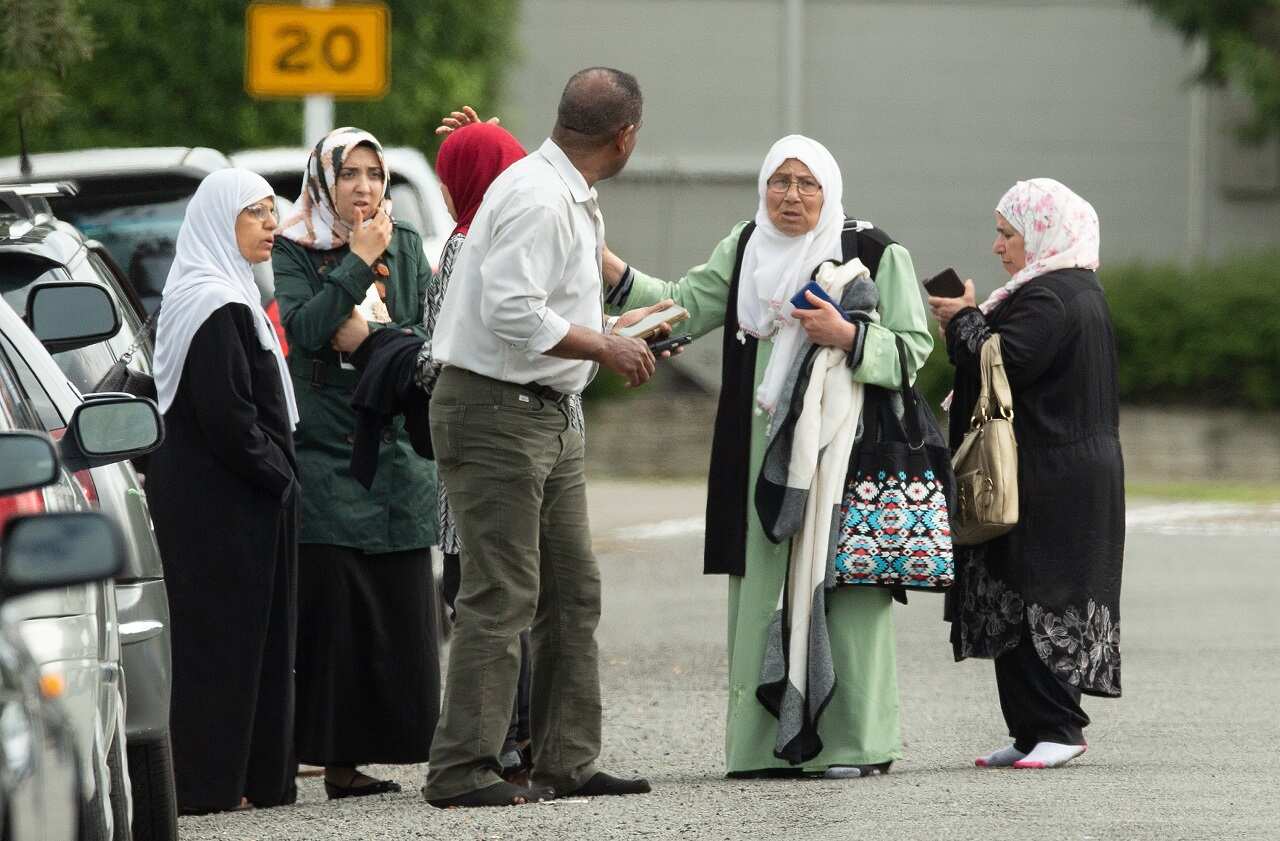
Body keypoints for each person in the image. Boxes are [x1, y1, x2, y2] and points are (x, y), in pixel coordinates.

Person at [601, 135, 933, 778]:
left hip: (846, 450)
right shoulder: (747, 246)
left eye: (806, 184)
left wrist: (847, 334)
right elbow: (685, 304)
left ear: (829, 191)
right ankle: (761, 746)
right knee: (761, 592)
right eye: (779, 182)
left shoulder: (870, 250)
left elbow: (914, 347)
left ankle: (853, 744)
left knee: (845, 589)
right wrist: (605, 263)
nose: (790, 196)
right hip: (760, 448)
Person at [422, 67, 667, 809]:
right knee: (502, 592)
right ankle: (461, 769)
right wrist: (603, 347)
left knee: (571, 592)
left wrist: (615, 331)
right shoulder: (536, 196)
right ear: (624, 136)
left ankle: (565, 758)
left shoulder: (559, 190)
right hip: (496, 411)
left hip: (541, 411)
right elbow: (508, 309)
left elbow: (540, 306)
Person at [928, 178, 1124, 770]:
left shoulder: (1056, 296)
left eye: (1007, 233)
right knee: (1012, 590)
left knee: (1044, 591)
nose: (998, 247)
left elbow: (1001, 362)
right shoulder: (1050, 290)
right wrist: (965, 321)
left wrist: (964, 318)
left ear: (1042, 233)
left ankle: (1059, 728)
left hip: (1055, 474)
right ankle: (1031, 728)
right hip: (1045, 465)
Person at [272, 127, 439, 798]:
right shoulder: (294, 245)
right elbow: (304, 328)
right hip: (328, 453)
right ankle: (334, 760)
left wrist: (373, 337)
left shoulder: (405, 243)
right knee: (337, 615)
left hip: (396, 449)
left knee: (397, 611)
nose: (365, 187)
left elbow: (430, 333)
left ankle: (387, 750)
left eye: (376, 174)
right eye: (351, 175)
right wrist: (352, 265)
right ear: (324, 181)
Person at [147, 168, 300, 814]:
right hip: (222, 513)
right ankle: (214, 784)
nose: (271, 225)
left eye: (271, 211)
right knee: (221, 648)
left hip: (235, 506)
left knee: (246, 646)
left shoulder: (223, 293)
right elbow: (230, 420)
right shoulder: (213, 305)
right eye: (255, 214)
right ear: (219, 222)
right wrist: (282, 474)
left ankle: (244, 777)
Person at [419, 120, 539, 782]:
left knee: (486, 599)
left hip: (476, 460)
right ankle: (511, 737)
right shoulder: (489, 243)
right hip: (499, 451)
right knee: (504, 601)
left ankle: (505, 739)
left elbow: (438, 356)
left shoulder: (467, 245)